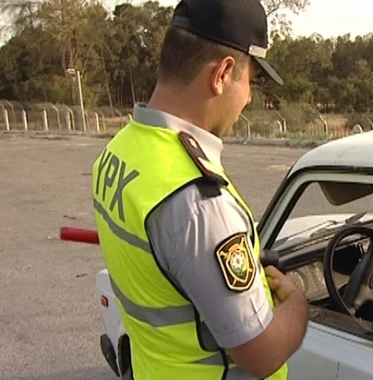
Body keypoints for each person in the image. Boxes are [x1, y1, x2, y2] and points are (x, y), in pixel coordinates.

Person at [90, 0, 309, 379]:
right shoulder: (199, 204)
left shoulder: (118, 152)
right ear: (223, 74)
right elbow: (261, 354)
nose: (249, 98)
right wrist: (299, 304)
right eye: (251, 80)